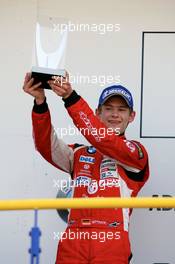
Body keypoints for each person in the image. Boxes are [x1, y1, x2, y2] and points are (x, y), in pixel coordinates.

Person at [23, 72, 149, 264]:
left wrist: (70, 97)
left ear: (131, 116)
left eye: (122, 110)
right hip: (73, 240)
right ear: (98, 113)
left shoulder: (135, 152)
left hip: (112, 240)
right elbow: (45, 146)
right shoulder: (79, 153)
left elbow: (102, 139)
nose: (115, 114)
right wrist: (40, 104)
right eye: (108, 108)